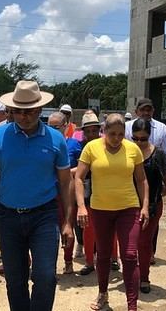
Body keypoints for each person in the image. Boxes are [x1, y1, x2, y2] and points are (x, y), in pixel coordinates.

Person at [0, 80, 74, 311]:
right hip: (8, 217)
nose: (24, 116)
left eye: (29, 111)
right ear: (12, 110)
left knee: (45, 277)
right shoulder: (0, 136)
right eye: (19, 111)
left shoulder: (56, 140)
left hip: (44, 217)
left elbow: (66, 183)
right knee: (15, 280)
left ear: (39, 109)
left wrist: (67, 221)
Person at [75, 114, 150, 311]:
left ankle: (131, 305)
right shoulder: (91, 148)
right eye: (112, 133)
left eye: (120, 134)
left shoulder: (133, 149)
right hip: (100, 209)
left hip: (128, 208)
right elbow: (79, 178)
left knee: (129, 255)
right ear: (104, 131)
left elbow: (141, 179)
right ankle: (103, 293)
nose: (116, 138)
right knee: (104, 254)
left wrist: (145, 206)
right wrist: (81, 206)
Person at [131, 118, 166, 294]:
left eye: (143, 138)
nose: (140, 142)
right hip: (129, 204)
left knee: (144, 242)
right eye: (136, 138)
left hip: (153, 205)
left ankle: (144, 277)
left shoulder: (159, 155)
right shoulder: (127, 152)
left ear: (149, 136)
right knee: (130, 244)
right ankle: (132, 275)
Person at [47, 112, 82, 274]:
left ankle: (68, 262)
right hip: (48, 193)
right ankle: (49, 264)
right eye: (49, 126)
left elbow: (84, 167)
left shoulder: (74, 144)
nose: (52, 130)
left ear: (66, 126)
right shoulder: (43, 144)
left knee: (68, 226)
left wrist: (65, 172)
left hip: (67, 192)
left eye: (56, 127)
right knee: (48, 231)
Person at [75, 113, 105, 276]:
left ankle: (111, 259)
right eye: (89, 131)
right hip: (85, 191)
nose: (92, 134)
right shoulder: (77, 147)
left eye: (95, 131)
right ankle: (88, 261)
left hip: (104, 191)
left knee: (107, 228)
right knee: (87, 227)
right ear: (84, 132)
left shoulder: (107, 146)